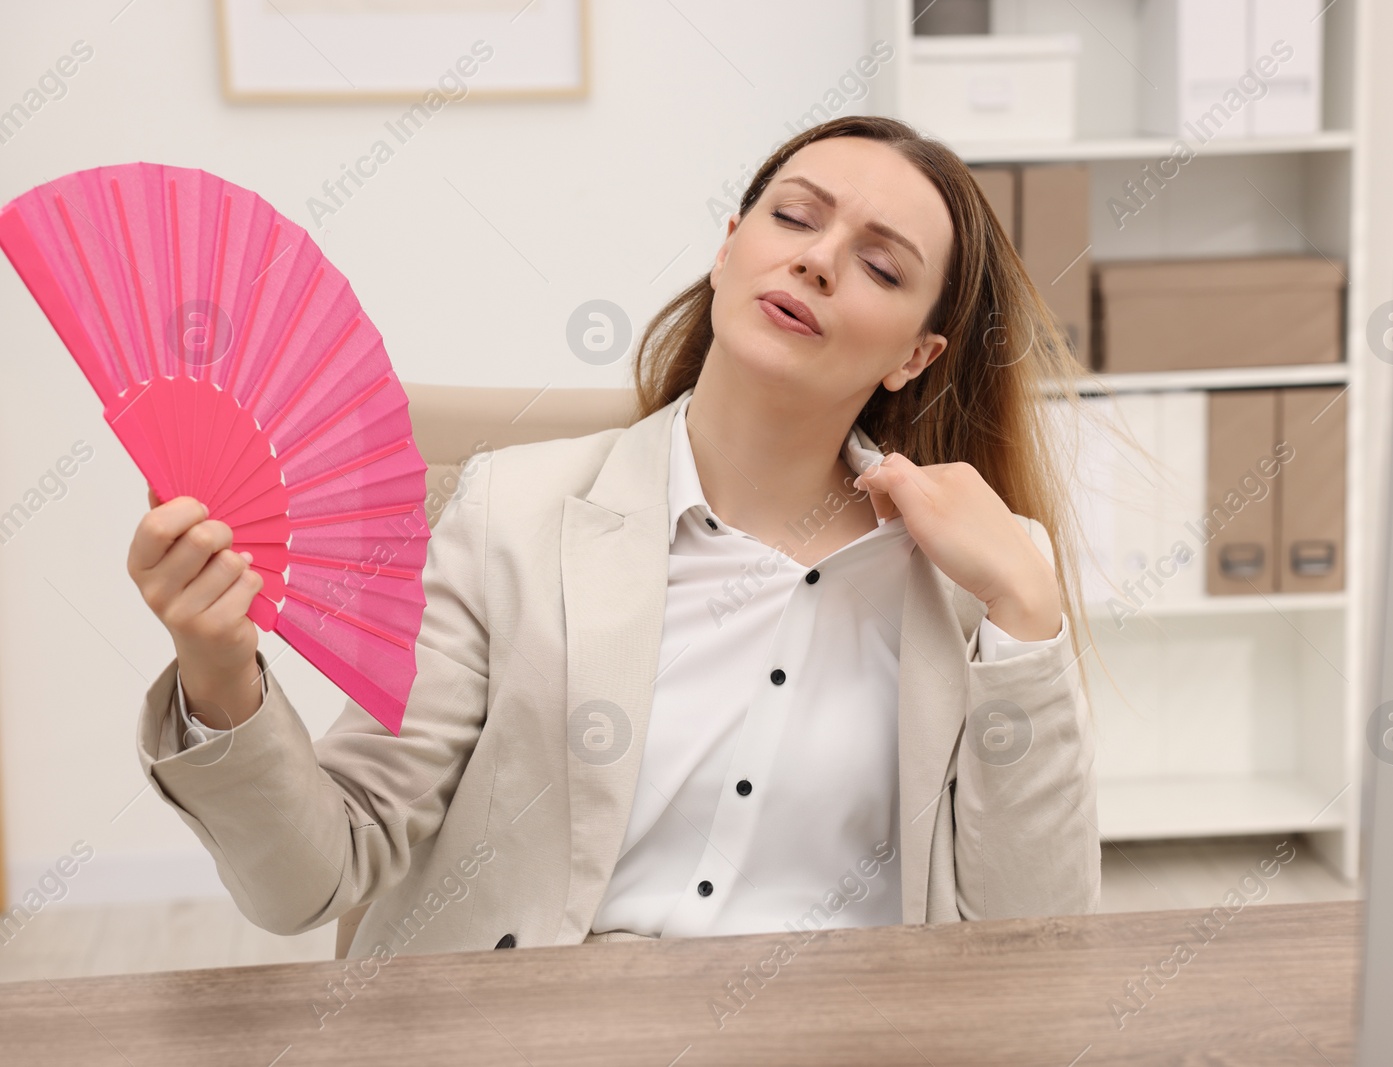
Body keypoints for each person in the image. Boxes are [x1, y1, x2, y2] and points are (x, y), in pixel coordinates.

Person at [125, 115, 1100, 962]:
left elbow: (1036, 942)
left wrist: (1026, 612)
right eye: (794, 218)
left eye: (882, 265)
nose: (817, 259)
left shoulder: (965, 577)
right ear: (728, 249)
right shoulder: (510, 511)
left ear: (913, 356)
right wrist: (220, 673)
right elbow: (310, 876)